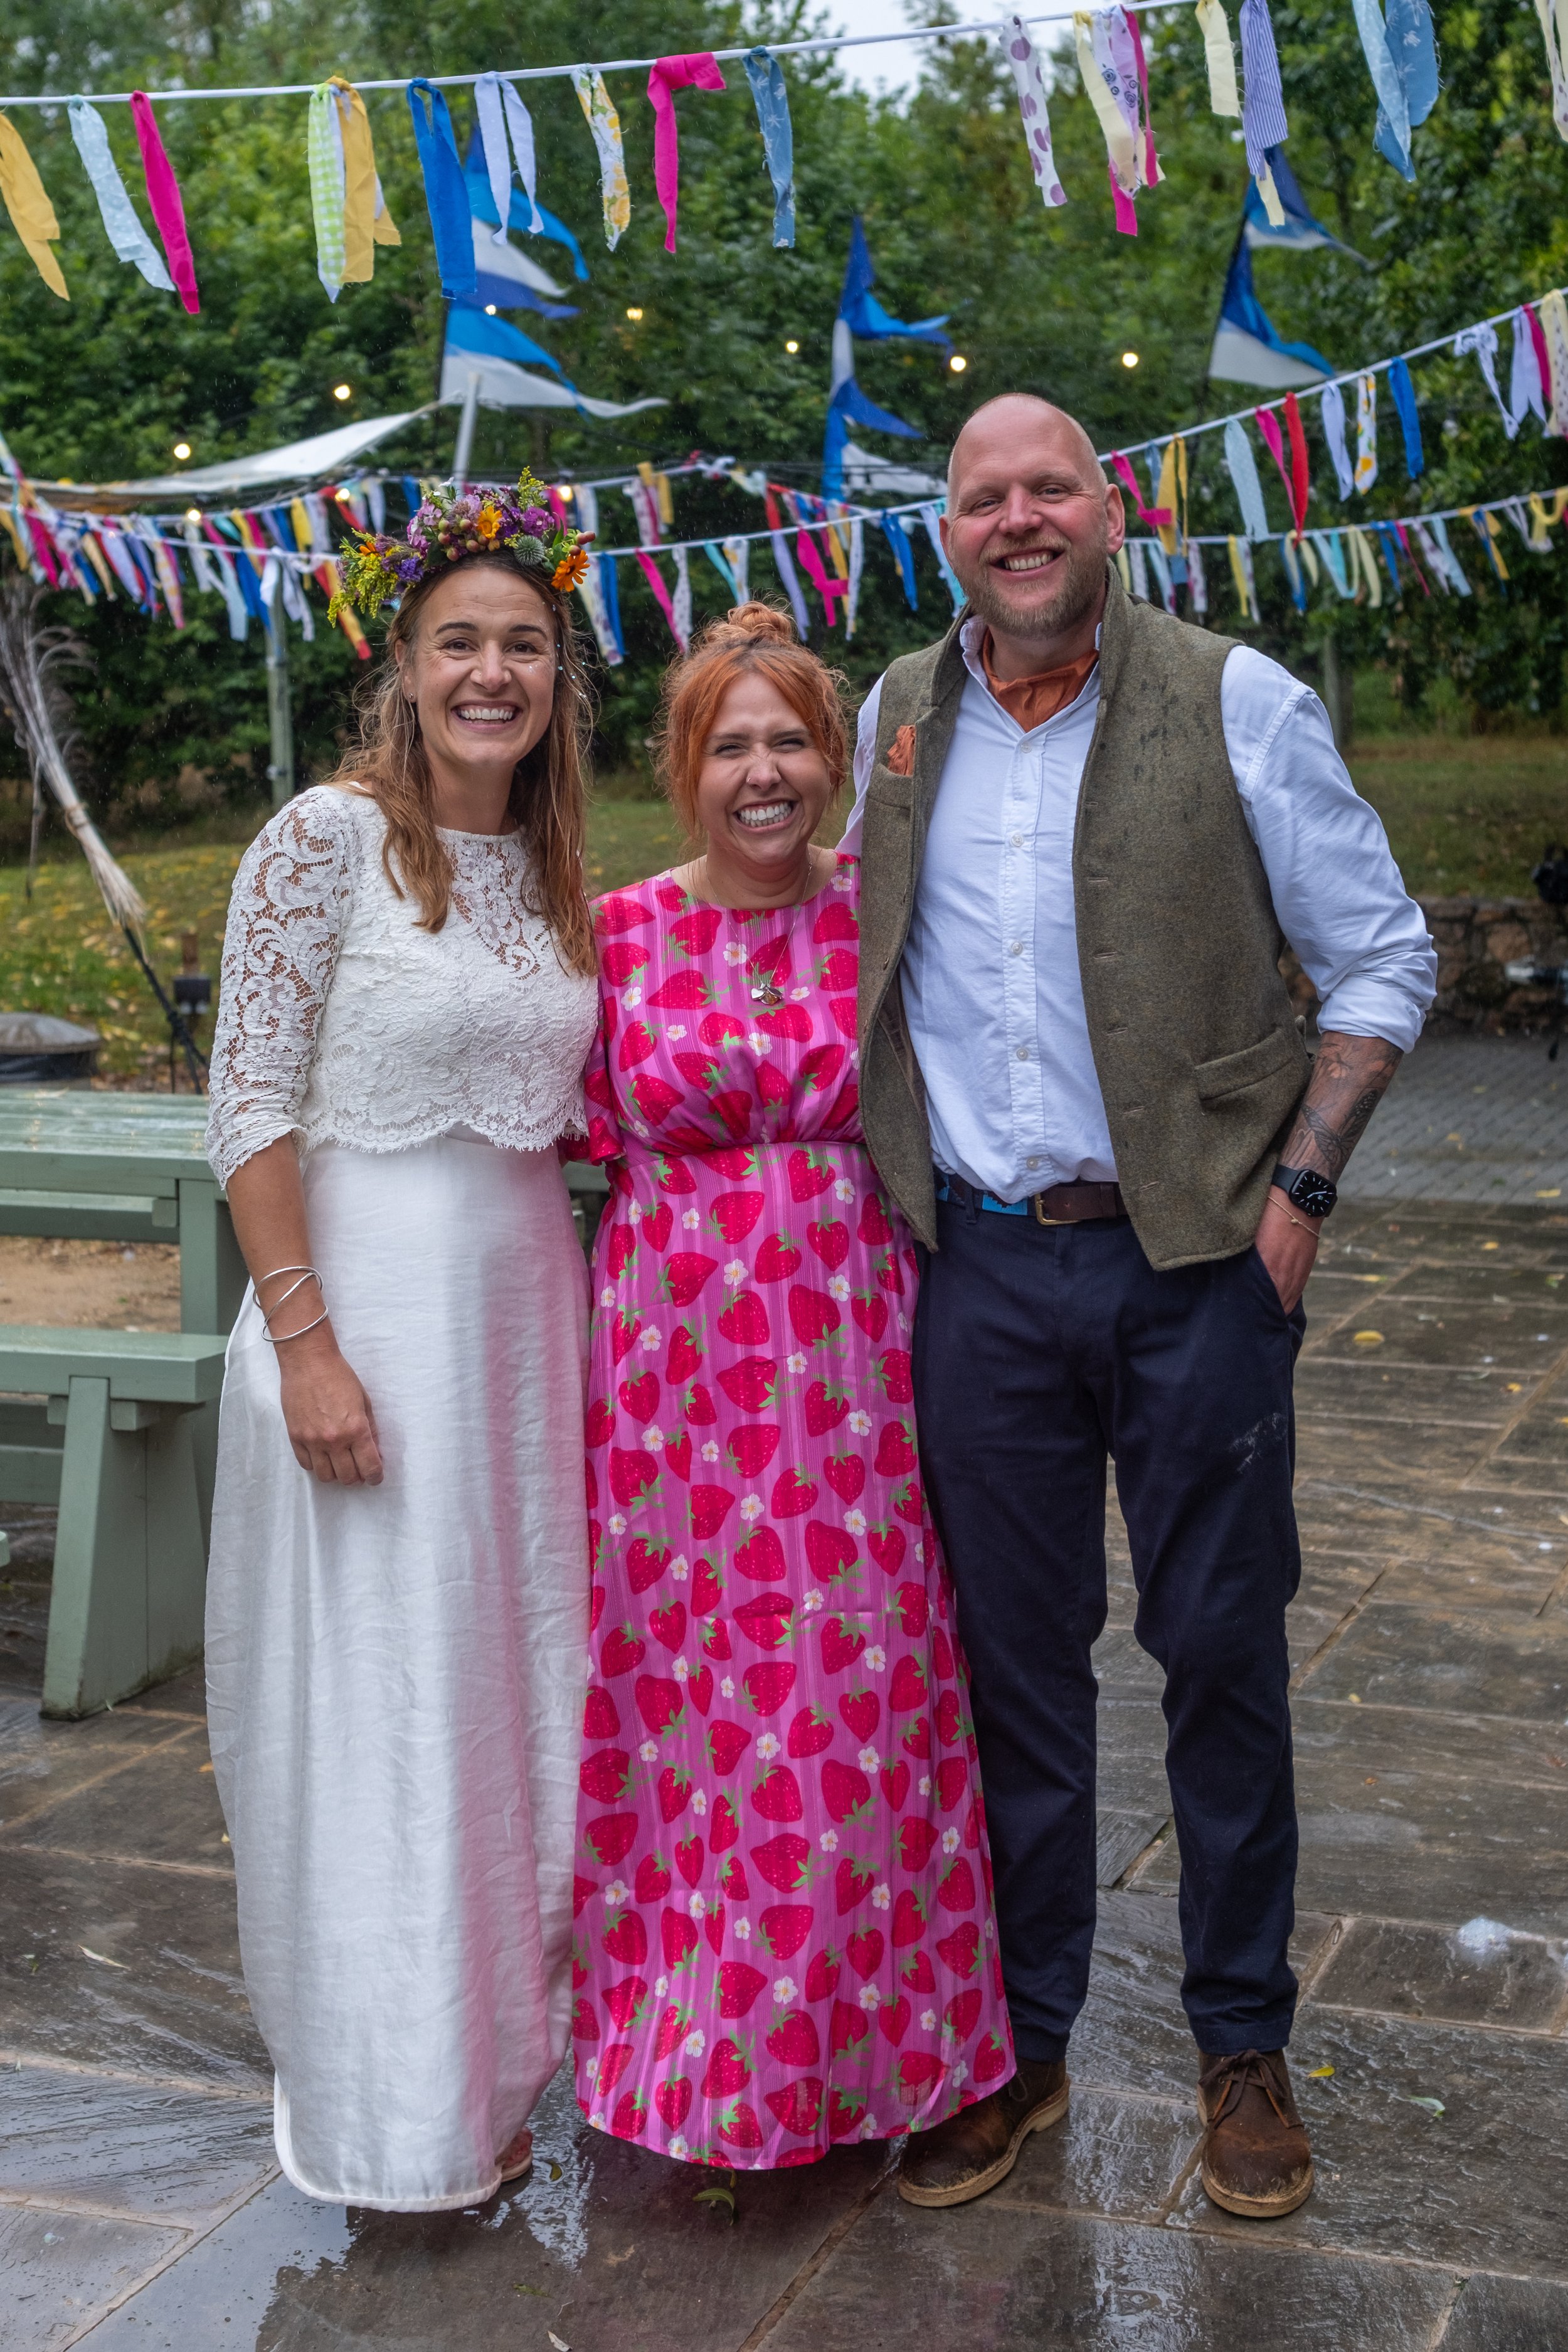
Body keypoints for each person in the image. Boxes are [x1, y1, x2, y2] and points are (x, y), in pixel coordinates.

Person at [848, 396, 1436, 2217]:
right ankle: (1017, 2041)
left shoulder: (1233, 696)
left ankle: (1239, 2043)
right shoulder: (894, 718)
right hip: (977, 1268)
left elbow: (1380, 955)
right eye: (982, 497)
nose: (1017, 519)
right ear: (945, 531)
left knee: (1219, 1656)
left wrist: (1299, 1196)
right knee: (1006, 1673)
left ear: (1111, 513)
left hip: (1195, 1266)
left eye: (1049, 488)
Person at [570, 603, 1014, 2169]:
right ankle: (688, 2055)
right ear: (682, 770)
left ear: (835, 761)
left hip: (851, 1358)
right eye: (728, 747)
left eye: (788, 742)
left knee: (858, 1693)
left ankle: (869, 2054)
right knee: (690, 1703)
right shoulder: (611, 933)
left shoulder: (888, 913)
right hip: (671, 1375)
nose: (760, 773)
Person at [203, 475, 601, 2210]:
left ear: (558, 675)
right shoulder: (322, 840)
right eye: (460, 641)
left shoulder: (556, 865)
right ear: (406, 665)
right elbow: (246, 1103)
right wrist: (307, 1345)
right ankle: (395, 2108)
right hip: (364, 1317)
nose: (490, 672)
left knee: (513, 1692)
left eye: (522, 643)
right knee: (389, 1708)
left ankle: (495, 2056)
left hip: (523, 1333)